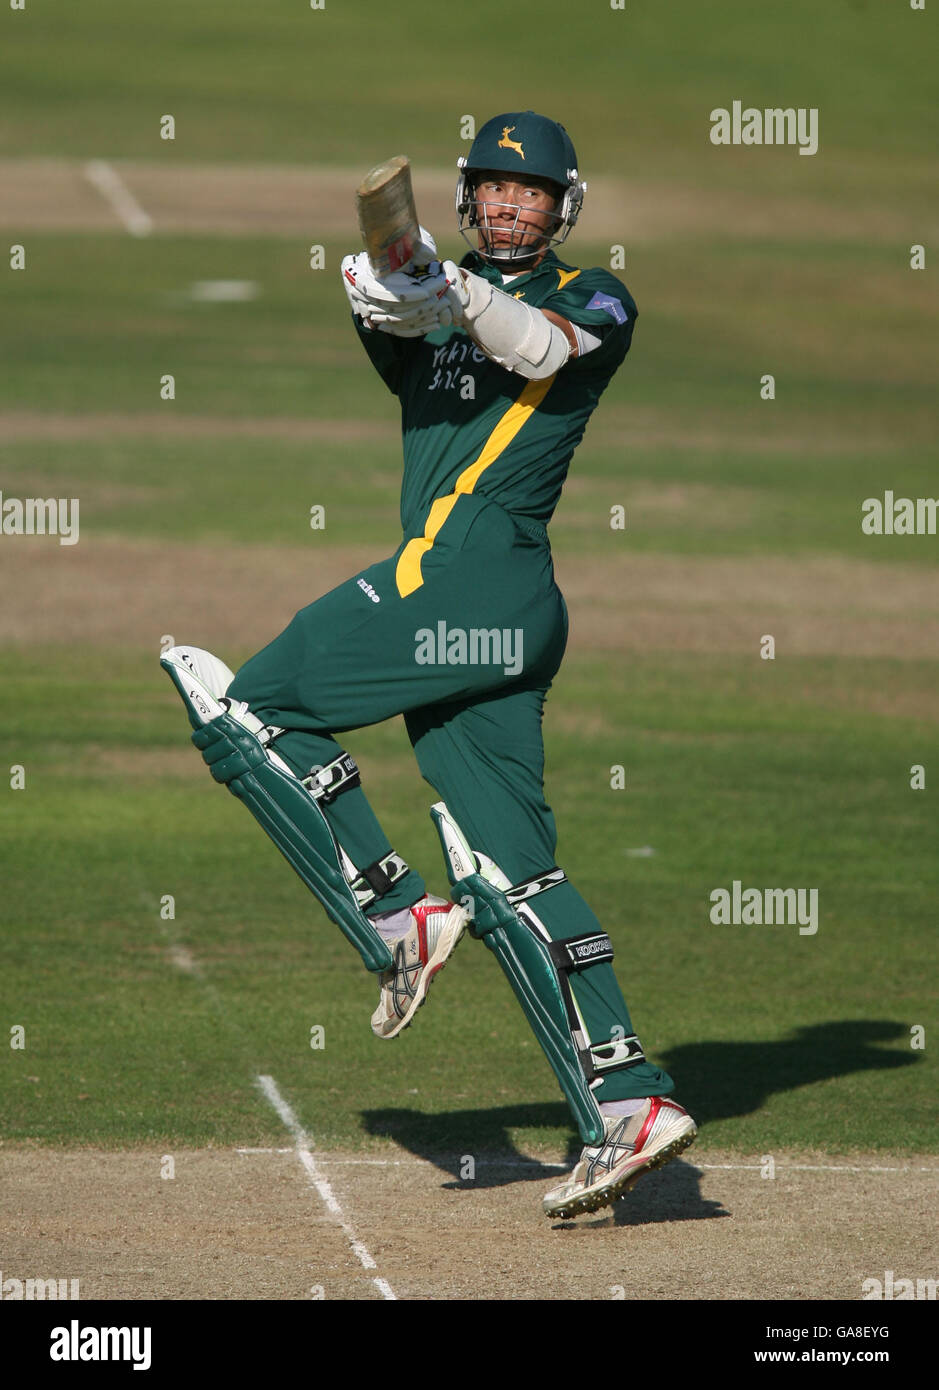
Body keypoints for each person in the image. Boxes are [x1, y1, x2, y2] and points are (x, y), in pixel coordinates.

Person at [161, 111, 696, 1220]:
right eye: (493, 189)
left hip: (474, 579)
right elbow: (391, 302)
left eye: (531, 191)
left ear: (567, 205)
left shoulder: (598, 296)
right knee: (509, 870)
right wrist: (395, 270)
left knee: (251, 709)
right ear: (467, 200)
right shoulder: (427, 300)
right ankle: (628, 1103)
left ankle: (396, 916)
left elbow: (537, 349)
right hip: (491, 610)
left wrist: (444, 289)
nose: (510, 206)